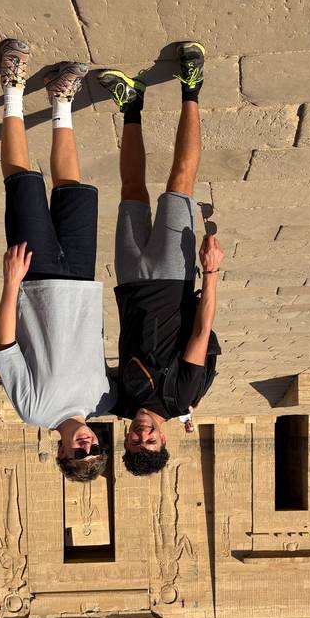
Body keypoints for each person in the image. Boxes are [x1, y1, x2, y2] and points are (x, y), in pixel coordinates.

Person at [0, 39, 116, 483]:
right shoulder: (104, 401)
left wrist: (11, 282)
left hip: (35, 280)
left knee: (21, 183)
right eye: (94, 449)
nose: (86, 444)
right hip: (81, 280)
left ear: (61, 453)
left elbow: (5, 345)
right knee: (72, 187)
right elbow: (149, 396)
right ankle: (61, 100)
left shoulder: (33, 410)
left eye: (78, 453)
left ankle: (12, 88)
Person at [97, 43, 223, 476]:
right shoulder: (181, 394)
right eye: (149, 440)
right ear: (162, 438)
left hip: (130, 282)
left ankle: (132, 105)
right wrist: (211, 270)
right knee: (179, 184)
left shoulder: (118, 401)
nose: (141, 434)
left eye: (133, 442)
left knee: (131, 190)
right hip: (173, 279)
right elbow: (202, 328)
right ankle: (192, 88)